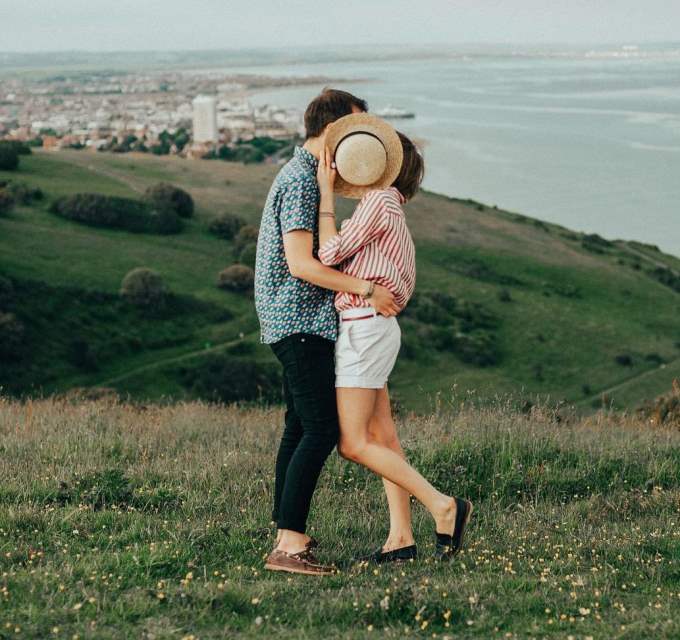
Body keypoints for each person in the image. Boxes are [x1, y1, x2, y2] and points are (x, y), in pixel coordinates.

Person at [254, 89, 400, 576]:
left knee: (299, 427)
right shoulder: (300, 181)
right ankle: (289, 546)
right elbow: (300, 264)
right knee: (320, 429)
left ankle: (286, 535)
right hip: (299, 320)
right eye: (358, 130)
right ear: (334, 131)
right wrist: (367, 289)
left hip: (294, 321)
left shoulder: (306, 177)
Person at [316, 120, 473, 563]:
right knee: (384, 438)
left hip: (364, 326)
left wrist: (326, 195)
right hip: (372, 327)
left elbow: (328, 255)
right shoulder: (390, 208)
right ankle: (401, 538)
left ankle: (443, 506)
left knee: (353, 443)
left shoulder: (379, 201)